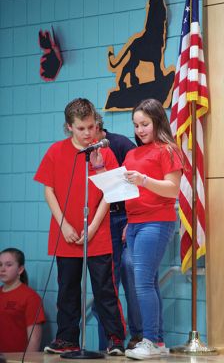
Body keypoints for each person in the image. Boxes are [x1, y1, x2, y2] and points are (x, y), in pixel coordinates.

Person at [34, 98, 125, 355]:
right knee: (67, 290)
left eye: (91, 127)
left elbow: (111, 192)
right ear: (69, 128)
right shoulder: (55, 151)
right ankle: (67, 338)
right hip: (67, 233)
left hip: (98, 233)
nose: (88, 133)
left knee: (105, 289)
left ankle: (115, 339)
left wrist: (94, 225)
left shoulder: (104, 152)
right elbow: (48, 190)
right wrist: (63, 224)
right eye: (81, 129)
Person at [123, 98, 183, 360]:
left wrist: (145, 180)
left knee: (143, 282)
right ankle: (157, 341)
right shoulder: (131, 154)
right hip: (135, 223)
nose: (140, 130)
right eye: (136, 125)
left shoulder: (168, 150)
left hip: (157, 221)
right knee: (148, 282)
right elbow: (129, 191)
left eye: (145, 124)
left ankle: (149, 340)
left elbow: (172, 189)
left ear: (158, 121)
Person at [93, 114, 143, 351]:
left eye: (90, 129)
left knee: (132, 273)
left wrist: (131, 220)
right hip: (102, 219)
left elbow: (138, 186)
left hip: (124, 217)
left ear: (99, 128)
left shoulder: (121, 144)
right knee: (103, 283)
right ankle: (109, 345)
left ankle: (139, 337)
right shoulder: (83, 151)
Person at [0, 248, 46, 353]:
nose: (2, 269)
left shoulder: (31, 298)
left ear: (20, 269)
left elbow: (35, 340)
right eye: (0, 264)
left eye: (8, 265)